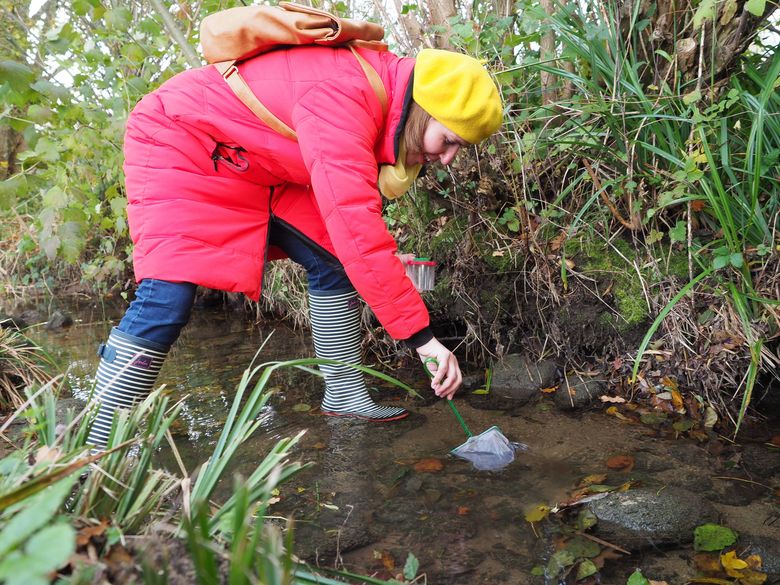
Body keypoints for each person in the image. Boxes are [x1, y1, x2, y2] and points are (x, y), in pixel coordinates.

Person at [86, 43, 503, 448]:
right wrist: (423, 339)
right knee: (167, 297)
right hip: (179, 139)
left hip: (256, 162)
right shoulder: (344, 95)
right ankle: (96, 447)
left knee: (332, 260)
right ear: (425, 110)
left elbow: (356, 232)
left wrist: (390, 270)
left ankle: (343, 396)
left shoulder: (379, 95)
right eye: (449, 141)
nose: (448, 158)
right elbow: (356, 227)